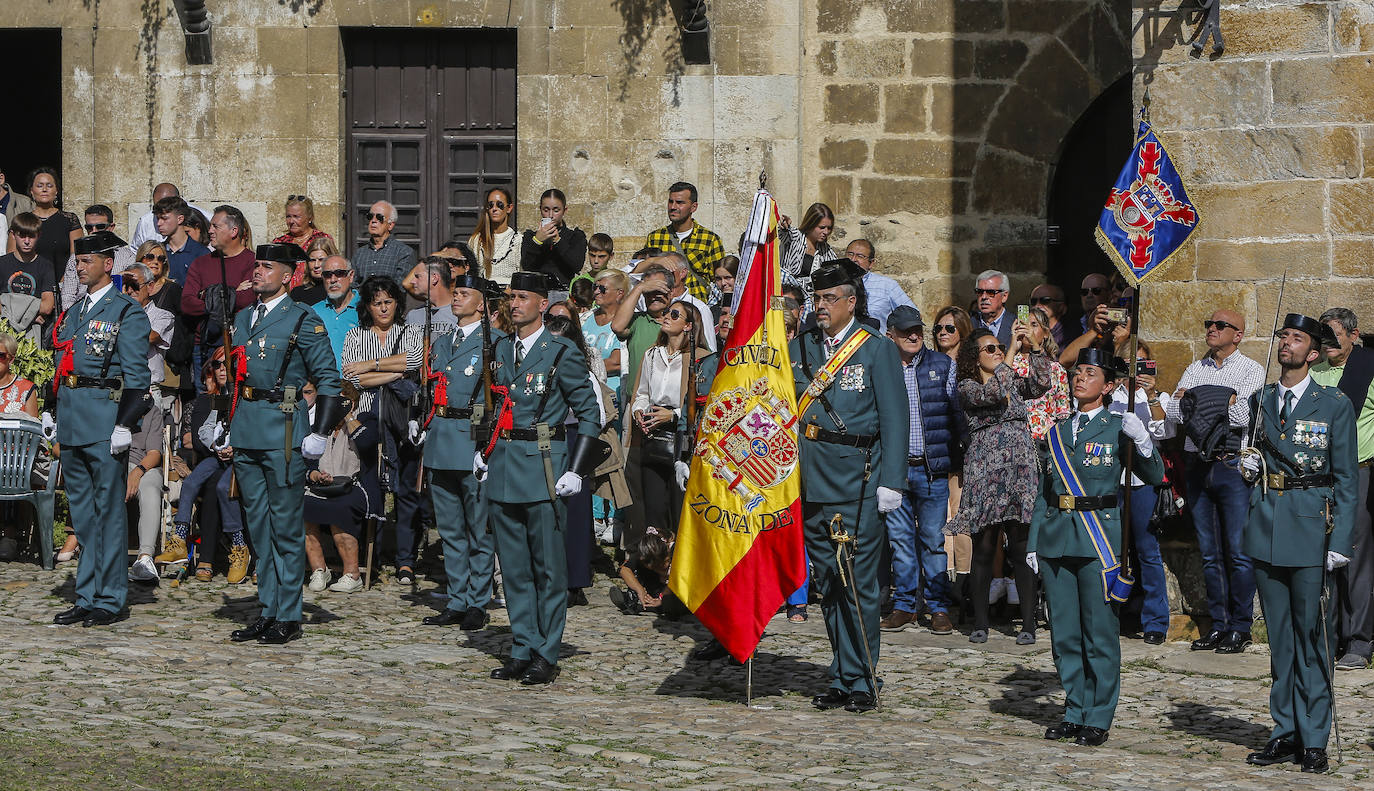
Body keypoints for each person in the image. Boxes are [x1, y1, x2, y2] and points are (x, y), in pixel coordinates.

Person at [790, 260, 908, 713]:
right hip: (812, 477)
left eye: (828, 299)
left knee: (857, 584)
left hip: (858, 478)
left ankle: (863, 678)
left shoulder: (876, 349)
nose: (820, 307)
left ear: (851, 302)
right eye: (816, 299)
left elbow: (896, 416)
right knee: (829, 584)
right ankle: (841, 674)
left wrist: (892, 480)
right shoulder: (802, 347)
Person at [1030, 348, 1164, 748]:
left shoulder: (1116, 426)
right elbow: (1044, 493)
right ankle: (1075, 709)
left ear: (1108, 386)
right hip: (1057, 537)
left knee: (1099, 633)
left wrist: (1142, 440)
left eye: (1090, 373)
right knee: (1064, 633)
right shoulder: (1057, 430)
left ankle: (1099, 716)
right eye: (1077, 372)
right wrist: (1036, 540)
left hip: (1097, 540)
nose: (1080, 378)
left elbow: (1154, 475)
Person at [1241, 314, 1355, 775]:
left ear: (1312, 353)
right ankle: (1283, 731)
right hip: (1267, 526)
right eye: (1283, 336)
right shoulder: (1261, 400)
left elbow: (1346, 478)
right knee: (1281, 642)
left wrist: (1340, 539)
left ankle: (1314, 737)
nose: (1285, 343)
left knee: (1313, 638)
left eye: (1296, 338)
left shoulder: (1334, 405)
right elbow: (1254, 456)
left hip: (1312, 530)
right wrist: (1247, 465)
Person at [478, 271, 602, 685]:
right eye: (511, 297)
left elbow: (590, 415)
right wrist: (483, 452)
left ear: (541, 305)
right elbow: (491, 406)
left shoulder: (559, 351)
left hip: (546, 464)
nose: (514, 304)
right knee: (513, 568)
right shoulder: (500, 348)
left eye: (523, 297)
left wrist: (576, 470)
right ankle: (522, 645)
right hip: (505, 467)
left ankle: (546, 652)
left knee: (548, 568)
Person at [226, 243, 344, 645]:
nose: (257, 272)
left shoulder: (302, 320)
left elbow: (329, 380)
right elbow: (235, 377)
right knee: (258, 525)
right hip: (247, 428)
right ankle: (269, 607)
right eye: (256, 265)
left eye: (266, 267)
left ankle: (289, 615)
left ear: (287, 276)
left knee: (286, 526)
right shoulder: (242, 318)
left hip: (286, 430)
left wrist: (320, 433)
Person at [50, 231, 153, 628]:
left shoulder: (125, 311)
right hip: (74, 418)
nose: (81, 265)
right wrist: (54, 409)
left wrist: (125, 424)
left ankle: (109, 599)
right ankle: (87, 593)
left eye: (88, 260)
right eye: (78, 260)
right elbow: (64, 363)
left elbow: (138, 378)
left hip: (105, 418)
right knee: (83, 513)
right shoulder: (75, 311)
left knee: (108, 512)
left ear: (108, 264)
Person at [1163, 309, 1266, 654]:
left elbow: (1244, 415)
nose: (1211, 329)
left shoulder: (1251, 369)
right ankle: (1218, 625)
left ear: (1237, 334)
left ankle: (1241, 626)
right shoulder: (1195, 368)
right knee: (1209, 552)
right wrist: (1222, 398)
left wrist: (1196, 400)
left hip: (1231, 463)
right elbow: (1174, 414)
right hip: (1197, 464)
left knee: (1236, 551)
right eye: (1208, 324)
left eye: (1220, 325)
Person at [947, 325, 1052, 644]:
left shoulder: (1010, 378)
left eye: (997, 348)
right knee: (984, 547)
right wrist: (1009, 349)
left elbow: (1041, 384)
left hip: (1019, 471)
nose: (995, 352)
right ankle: (980, 621)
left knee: (1021, 547)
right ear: (974, 358)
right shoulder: (966, 386)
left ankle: (1029, 624)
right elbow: (996, 392)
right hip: (985, 472)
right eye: (989, 349)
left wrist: (1034, 349)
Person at [416, 273, 502, 628]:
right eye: (455, 293)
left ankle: (478, 602)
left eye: (465, 294)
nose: (456, 298)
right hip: (441, 438)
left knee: (479, 528)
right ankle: (457, 598)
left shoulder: (494, 342)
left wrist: (490, 445)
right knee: (450, 529)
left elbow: (499, 397)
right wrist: (420, 421)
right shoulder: (442, 342)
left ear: (481, 303)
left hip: (472, 438)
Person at [879, 306, 961, 636]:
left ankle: (938, 607)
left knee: (932, 541)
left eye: (917, 330)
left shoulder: (942, 365)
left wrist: (959, 458)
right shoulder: (881, 366)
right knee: (900, 542)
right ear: (891, 335)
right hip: (895, 472)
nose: (914, 336)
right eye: (905, 331)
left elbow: (957, 415)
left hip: (931, 470)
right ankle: (905, 606)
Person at [340, 276, 424, 584]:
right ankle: (366, 558)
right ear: (368, 306)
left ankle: (405, 560)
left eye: (389, 301)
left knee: (405, 490)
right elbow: (352, 378)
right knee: (367, 484)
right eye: (377, 303)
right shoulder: (355, 335)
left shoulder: (410, 331)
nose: (384, 308)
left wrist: (372, 365)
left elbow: (416, 360)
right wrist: (394, 370)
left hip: (403, 418)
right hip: (367, 419)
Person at [1311, 307, 1374, 671]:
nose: (1330, 343)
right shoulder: (1315, 371)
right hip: (1318, 477)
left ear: (1353, 334)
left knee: (1354, 559)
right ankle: (1326, 635)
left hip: (1357, 474)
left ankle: (1359, 640)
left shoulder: (1368, 367)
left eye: (1336, 335)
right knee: (1321, 558)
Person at [158, 349, 250, 583]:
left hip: (241, 456)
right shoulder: (218, 397)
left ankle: (239, 545)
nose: (221, 369)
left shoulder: (246, 395)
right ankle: (179, 537)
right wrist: (216, 446)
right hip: (218, 455)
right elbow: (204, 430)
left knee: (221, 488)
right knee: (191, 482)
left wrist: (236, 447)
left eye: (225, 365)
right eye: (217, 365)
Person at [1110, 338, 1175, 644]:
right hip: (1113, 480)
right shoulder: (1110, 395)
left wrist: (1150, 395)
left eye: (1142, 364)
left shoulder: (1155, 396)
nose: (1136, 371)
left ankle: (1155, 622)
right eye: (1129, 364)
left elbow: (1165, 432)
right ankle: (1113, 613)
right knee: (1113, 551)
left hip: (1143, 483)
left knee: (1148, 551)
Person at [630, 298, 707, 538]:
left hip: (681, 437)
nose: (666, 317)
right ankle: (655, 561)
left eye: (674, 314)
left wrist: (673, 415)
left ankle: (678, 566)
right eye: (666, 313)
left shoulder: (702, 357)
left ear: (688, 326)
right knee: (654, 509)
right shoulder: (653, 354)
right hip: (652, 436)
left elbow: (704, 404)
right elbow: (641, 393)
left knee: (679, 508)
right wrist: (639, 411)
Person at [303, 383, 378, 594]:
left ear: (351, 402)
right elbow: (307, 461)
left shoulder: (366, 420)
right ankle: (319, 569)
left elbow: (367, 443)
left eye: (341, 401)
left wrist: (347, 416)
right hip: (323, 485)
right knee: (302, 504)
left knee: (340, 507)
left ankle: (352, 574)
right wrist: (315, 474)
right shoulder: (319, 425)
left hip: (356, 485)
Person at [182, 205, 257, 393]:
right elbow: (187, 303)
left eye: (216, 226)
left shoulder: (253, 262)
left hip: (240, 345)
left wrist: (207, 294)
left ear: (234, 231)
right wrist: (231, 292)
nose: (210, 231)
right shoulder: (201, 263)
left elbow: (246, 299)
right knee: (207, 405)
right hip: (206, 348)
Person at [643, 181, 724, 301]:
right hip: (663, 305)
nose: (673, 207)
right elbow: (644, 272)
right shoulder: (655, 238)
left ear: (693, 207)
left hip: (696, 308)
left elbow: (720, 279)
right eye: (671, 201)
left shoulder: (710, 239)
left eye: (680, 203)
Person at [0, 332, 41, 562]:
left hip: (15, 462)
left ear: (11, 359)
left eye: (0, 355)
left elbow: (32, 434)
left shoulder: (26, 389)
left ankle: (10, 531)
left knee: (10, 468)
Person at [59, 205, 138, 310]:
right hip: (81, 311)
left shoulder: (127, 257)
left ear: (111, 227)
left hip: (114, 311)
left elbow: (134, 294)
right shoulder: (75, 258)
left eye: (100, 227)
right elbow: (68, 296)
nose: (94, 231)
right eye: (89, 227)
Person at [123, 404, 166, 583]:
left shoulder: (152, 411)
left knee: (150, 487)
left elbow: (155, 453)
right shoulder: (110, 404)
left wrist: (137, 471)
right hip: (113, 462)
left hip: (143, 464)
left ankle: (145, 558)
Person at [121, 263, 175, 396]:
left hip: (147, 388)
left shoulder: (162, 315)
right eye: (126, 286)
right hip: (120, 386)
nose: (129, 291)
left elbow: (149, 337)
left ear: (150, 286)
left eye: (134, 285)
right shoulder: (117, 312)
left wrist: (128, 310)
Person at [609, 527, 687, 618]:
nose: (658, 570)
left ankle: (669, 606)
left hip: (676, 588)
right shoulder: (645, 553)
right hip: (656, 587)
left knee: (672, 601)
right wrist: (640, 589)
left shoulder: (678, 551)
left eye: (661, 566)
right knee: (637, 575)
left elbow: (678, 579)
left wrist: (662, 598)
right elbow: (624, 570)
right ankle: (631, 598)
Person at [520, 189, 587, 289]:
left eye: (556, 210)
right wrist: (537, 241)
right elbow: (526, 265)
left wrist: (558, 241)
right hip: (537, 291)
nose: (551, 215)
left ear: (564, 210)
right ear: (540, 209)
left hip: (563, 291)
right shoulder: (530, 237)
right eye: (546, 210)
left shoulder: (574, 237)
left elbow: (577, 265)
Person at [0, 212, 57, 330]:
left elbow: (47, 306)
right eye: (22, 236)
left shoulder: (46, 266)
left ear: (39, 235)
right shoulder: (2, 263)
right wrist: (30, 315)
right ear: (13, 235)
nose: (26, 241)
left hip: (32, 331)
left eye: (31, 236)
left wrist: (10, 304)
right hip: (4, 328)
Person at [846, 240, 914, 334]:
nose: (853, 259)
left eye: (860, 256)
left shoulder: (887, 285)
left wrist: (893, 336)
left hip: (875, 345)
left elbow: (912, 315)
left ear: (871, 263)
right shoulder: (835, 283)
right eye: (850, 254)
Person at [26, 168, 81, 283]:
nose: (44, 189)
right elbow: (12, 259)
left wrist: (64, 283)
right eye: (40, 186)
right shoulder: (23, 221)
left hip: (64, 285)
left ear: (56, 191)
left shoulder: (69, 220)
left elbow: (77, 256)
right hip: (31, 286)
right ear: (31, 191)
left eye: (49, 186)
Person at [779, 202, 838, 309]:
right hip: (785, 296)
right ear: (811, 224)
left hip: (809, 304)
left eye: (829, 228)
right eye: (822, 227)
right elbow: (784, 234)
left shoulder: (827, 251)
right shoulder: (795, 237)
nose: (826, 232)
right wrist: (784, 226)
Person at [271, 195, 333, 287]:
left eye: (296, 216)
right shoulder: (279, 242)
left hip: (312, 292)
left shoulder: (321, 239)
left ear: (310, 218)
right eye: (288, 216)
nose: (291, 221)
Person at [131, 183, 212, 249]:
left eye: (165, 217)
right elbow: (136, 251)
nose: (159, 223)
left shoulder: (204, 217)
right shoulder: (145, 222)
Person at [312, 255, 359, 369]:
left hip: (359, 382)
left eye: (339, 273)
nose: (333, 280)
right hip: (322, 383)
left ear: (351, 276)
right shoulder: (313, 312)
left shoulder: (366, 309)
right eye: (327, 275)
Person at [152, 196, 210, 285]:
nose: (159, 223)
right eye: (158, 218)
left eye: (164, 218)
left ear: (180, 219)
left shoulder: (201, 253)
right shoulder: (156, 252)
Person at [353, 200, 416, 283]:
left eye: (379, 217)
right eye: (370, 216)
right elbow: (353, 284)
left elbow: (400, 287)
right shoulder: (359, 254)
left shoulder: (403, 252)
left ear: (390, 225)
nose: (373, 220)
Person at [469, 188, 519, 283]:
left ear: (509, 208)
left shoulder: (518, 240)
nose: (494, 209)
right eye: (490, 205)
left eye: (500, 205)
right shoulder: (476, 239)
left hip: (510, 294)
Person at [404, 256, 457, 333]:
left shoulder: (460, 313)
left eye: (418, 276)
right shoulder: (413, 316)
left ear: (434, 278)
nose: (412, 281)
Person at [137, 241, 182, 316]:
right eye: (150, 257)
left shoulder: (173, 289)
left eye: (160, 258)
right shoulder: (131, 288)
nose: (156, 261)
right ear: (140, 260)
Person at [971, 269, 1012, 348]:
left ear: (1004, 296)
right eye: (979, 292)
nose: (983, 297)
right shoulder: (968, 323)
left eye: (990, 292)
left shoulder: (1016, 324)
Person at [292, 236, 336, 305]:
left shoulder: (339, 291)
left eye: (321, 260)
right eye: (312, 260)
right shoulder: (297, 293)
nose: (316, 265)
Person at [1029, 284, 1070, 349]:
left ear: (1061, 307)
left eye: (1045, 300)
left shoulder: (1071, 333)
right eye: (1033, 301)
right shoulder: (1027, 330)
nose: (1037, 305)